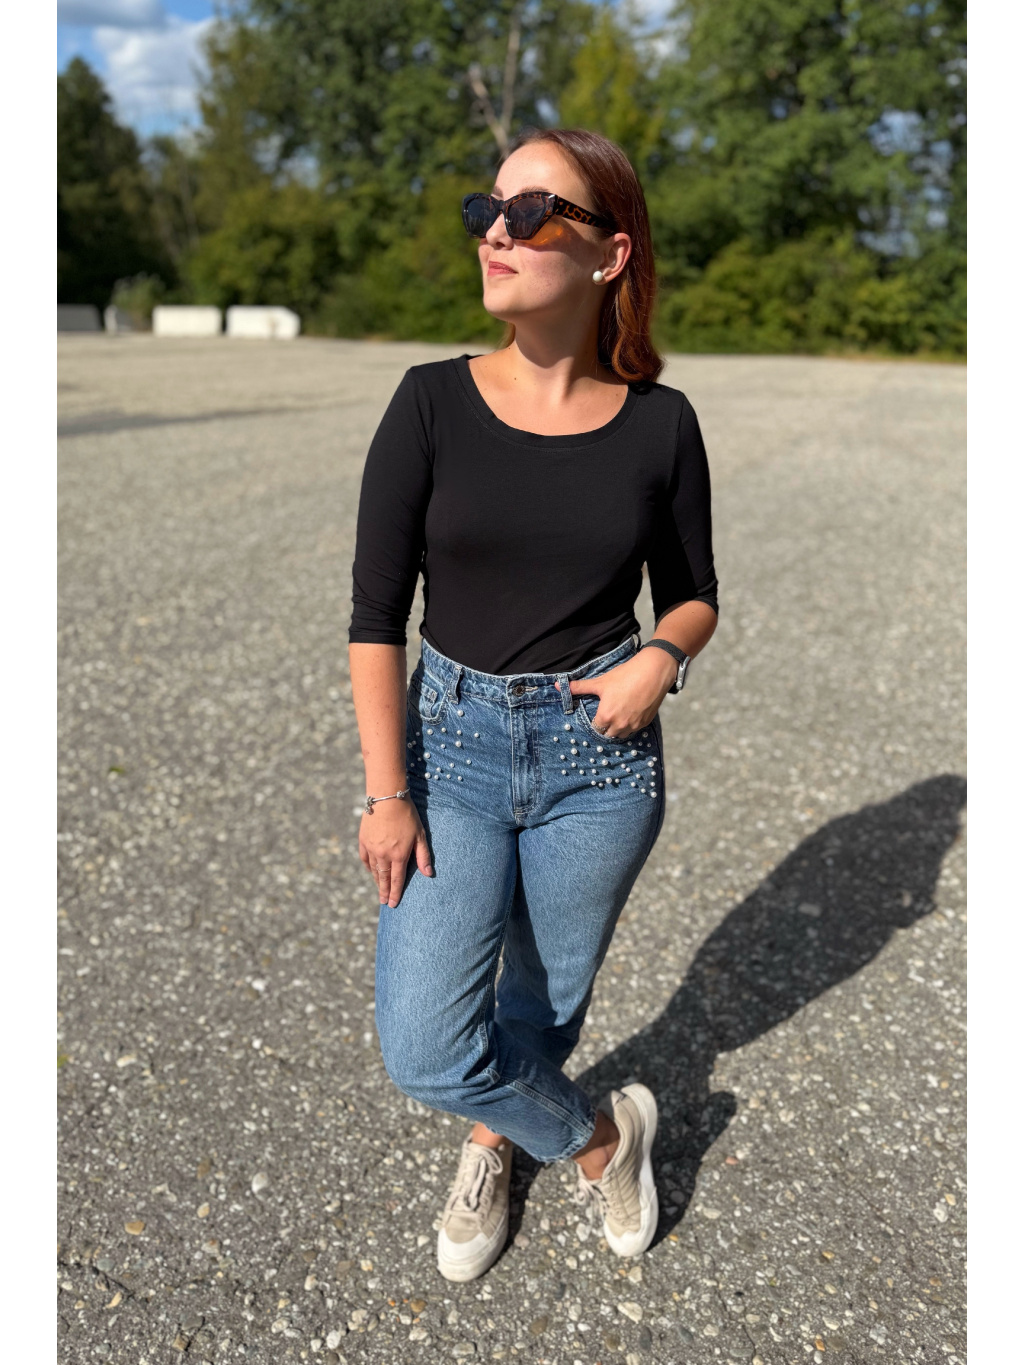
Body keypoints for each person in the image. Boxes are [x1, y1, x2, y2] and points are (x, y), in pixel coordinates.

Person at [347, 126, 718, 1282]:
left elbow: (694, 594)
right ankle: (602, 1140)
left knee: (545, 1001)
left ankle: (491, 1142)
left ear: (609, 254)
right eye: (487, 209)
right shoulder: (429, 403)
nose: (494, 233)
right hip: (449, 751)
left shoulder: (661, 424)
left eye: (530, 211)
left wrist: (663, 655)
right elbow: (374, 618)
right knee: (422, 1045)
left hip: (600, 764)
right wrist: (386, 794)